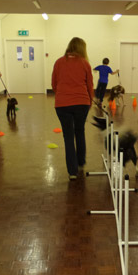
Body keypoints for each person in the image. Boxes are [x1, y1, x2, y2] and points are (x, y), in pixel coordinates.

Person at [51, 37, 94, 180]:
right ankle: (81, 162)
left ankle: (72, 171)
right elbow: (89, 85)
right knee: (80, 131)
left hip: (62, 105)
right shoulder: (84, 63)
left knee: (68, 137)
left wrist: (63, 95)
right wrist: (90, 101)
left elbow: (54, 84)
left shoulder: (58, 62)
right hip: (82, 103)